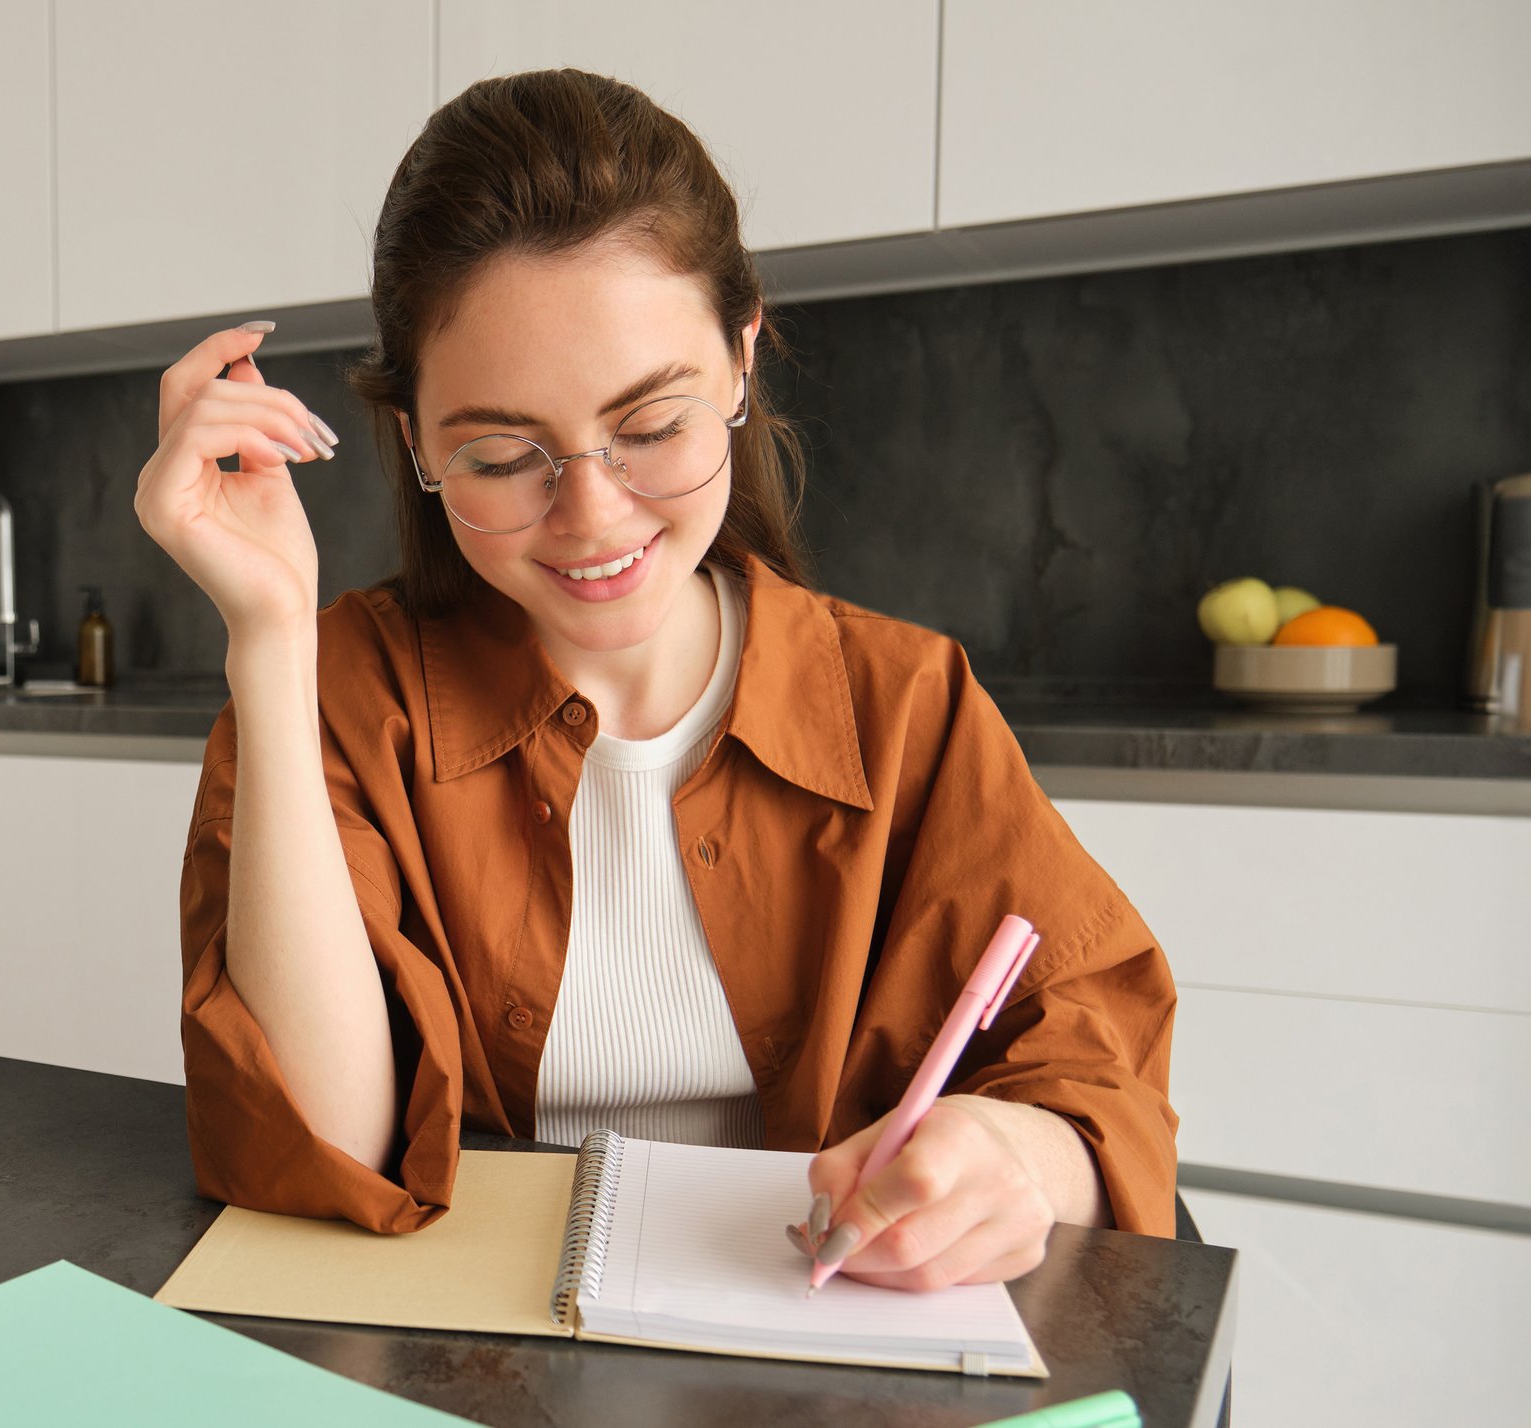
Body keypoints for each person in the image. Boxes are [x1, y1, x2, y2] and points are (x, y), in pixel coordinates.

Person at [136, 69, 1177, 1293]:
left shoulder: (903, 703)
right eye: (499, 453)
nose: (588, 515)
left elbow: (1092, 1068)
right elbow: (319, 1144)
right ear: (415, 440)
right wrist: (267, 636)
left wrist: (1019, 1158)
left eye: (650, 427)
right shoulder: (340, 696)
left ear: (740, 360)